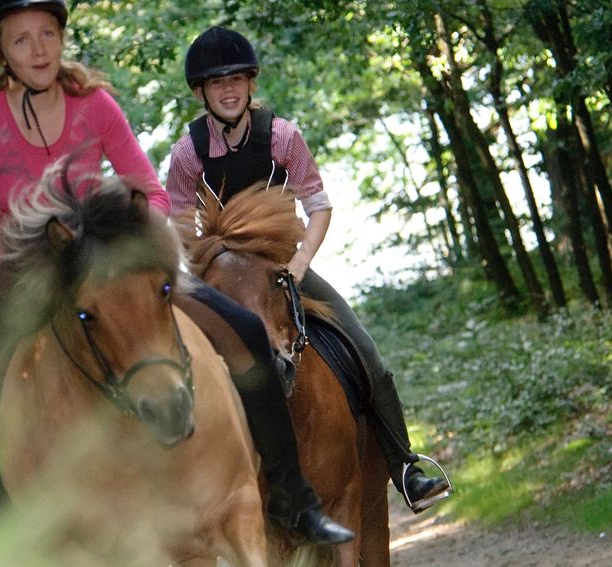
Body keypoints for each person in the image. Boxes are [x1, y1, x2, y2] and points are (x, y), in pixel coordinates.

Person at [0, 0, 354, 545]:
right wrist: (24, 260)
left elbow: (154, 190)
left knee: (242, 325)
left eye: (47, 33)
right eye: (21, 39)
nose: (37, 49)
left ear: (62, 37)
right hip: (33, 285)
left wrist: (131, 233)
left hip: (114, 271)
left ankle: (293, 497)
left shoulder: (94, 105)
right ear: (0, 52)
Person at [164, 25, 453, 514]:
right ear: (201, 93)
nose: (229, 89)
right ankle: (183, 489)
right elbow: (177, 226)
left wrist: (298, 264)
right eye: (217, 83)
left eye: (236, 79)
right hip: (220, 279)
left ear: (251, 82)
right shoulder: (187, 154)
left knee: (367, 354)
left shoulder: (282, 136)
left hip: (283, 268)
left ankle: (405, 466)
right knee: (170, 364)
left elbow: (319, 205)